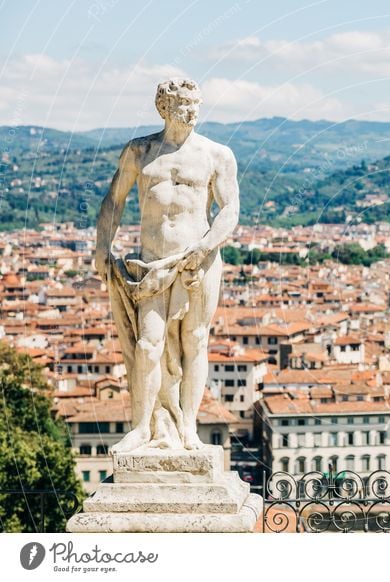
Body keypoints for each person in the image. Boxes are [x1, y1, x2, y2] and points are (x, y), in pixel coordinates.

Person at [95, 78, 239, 453]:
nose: (190, 112)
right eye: (182, 105)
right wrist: (101, 247)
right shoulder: (140, 151)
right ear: (164, 107)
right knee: (147, 345)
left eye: (195, 105)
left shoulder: (216, 154)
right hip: (152, 265)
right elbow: (114, 200)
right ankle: (143, 427)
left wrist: (207, 245)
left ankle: (188, 426)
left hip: (200, 261)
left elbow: (230, 209)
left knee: (195, 341)